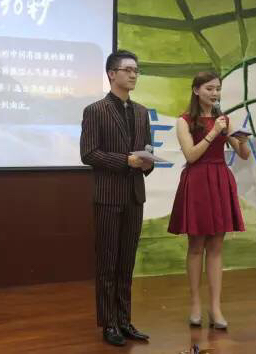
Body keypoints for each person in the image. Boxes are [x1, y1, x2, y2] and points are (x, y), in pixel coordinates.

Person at [80, 49, 153, 346]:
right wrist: (125, 161)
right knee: (108, 263)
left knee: (127, 263)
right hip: (108, 196)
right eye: (128, 70)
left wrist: (147, 163)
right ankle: (109, 323)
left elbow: (146, 150)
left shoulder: (142, 112)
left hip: (134, 195)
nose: (134, 75)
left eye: (136, 70)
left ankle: (124, 320)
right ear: (112, 74)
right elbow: (89, 153)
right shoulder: (95, 110)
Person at [168, 71, 250, 330]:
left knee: (216, 247)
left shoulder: (224, 119)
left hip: (219, 179)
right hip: (197, 181)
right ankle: (195, 304)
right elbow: (191, 156)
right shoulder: (184, 121)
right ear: (196, 90)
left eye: (218, 89)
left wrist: (243, 142)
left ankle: (215, 308)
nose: (215, 93)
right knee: (196, 246)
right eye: (209, 88)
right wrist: (214, 132)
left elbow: (244, 155)